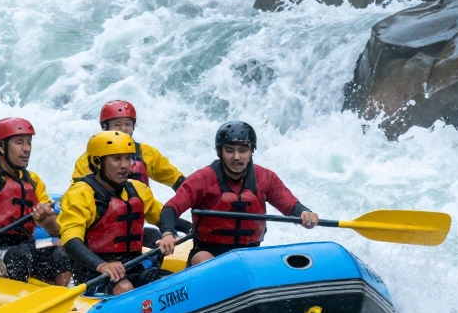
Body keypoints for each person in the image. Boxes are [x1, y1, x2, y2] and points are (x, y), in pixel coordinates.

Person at [0, 74, 72, 286]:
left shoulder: (33, 181)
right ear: (0, 147)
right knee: (17, 258)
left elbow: (54, 229)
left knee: (60, 256)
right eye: (19, 142)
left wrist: (46, 219)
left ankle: (65, 306)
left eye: (28, 142)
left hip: (24, 247)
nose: (26, 148)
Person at [158, 121, 318, 267]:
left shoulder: (265, 178)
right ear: (220, 152)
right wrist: (167, 233)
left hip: (250, 252)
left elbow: (290, 205)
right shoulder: (203, 178)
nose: (236, 157)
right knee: (204, 260)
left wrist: (305, 214)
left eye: (242, 150)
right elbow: (171, 208)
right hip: (209, 251)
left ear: (251, 151)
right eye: (229, 150)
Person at [59, 131, 179, 296]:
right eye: (116, 159)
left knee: (170, 283)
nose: (125, 165)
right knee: (124, 288)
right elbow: (71, 240)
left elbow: (164, 216)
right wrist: (101, 265)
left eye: (127, 158)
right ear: (97, 162)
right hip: (94, 271)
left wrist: (167, 233)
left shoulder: (137, 189)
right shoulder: (81, 194)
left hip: (133, 266)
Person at [71, 101, 185, 189]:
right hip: (102, 214)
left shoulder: (146, 153)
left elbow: (176, 179)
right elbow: (77, 192)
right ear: (104, 127)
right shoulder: (88, 159)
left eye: (128, 124)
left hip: (136, 213)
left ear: (134, 126)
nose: (124, 129)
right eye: (117, 124)